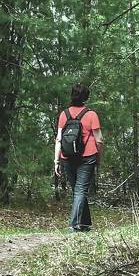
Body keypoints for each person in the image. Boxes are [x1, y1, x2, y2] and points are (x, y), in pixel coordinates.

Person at [53, 83, 102, 232]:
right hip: (87, 156)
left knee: (77, 190)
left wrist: (56, 161)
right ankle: (74, 226)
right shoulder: (91, 115)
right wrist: (99, 157)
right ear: (86, 97)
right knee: (80, 190)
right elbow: (99, 140)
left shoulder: (64, 114)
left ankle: (85, 224)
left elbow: (59, 139)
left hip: (67, 156)